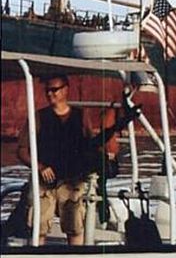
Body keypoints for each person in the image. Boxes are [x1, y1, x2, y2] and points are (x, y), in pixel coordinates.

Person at [17, 76, 141, 246]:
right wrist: (40, 167)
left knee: (74, 224)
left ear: (66, 90)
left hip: (72, 179)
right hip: (44, 181)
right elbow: (22, 150)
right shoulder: (38, 117)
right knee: (39, 224)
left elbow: (90, 144)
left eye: (54, 90)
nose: (49, 94)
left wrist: (105, 158)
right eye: (47, 90)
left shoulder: (80, 116)